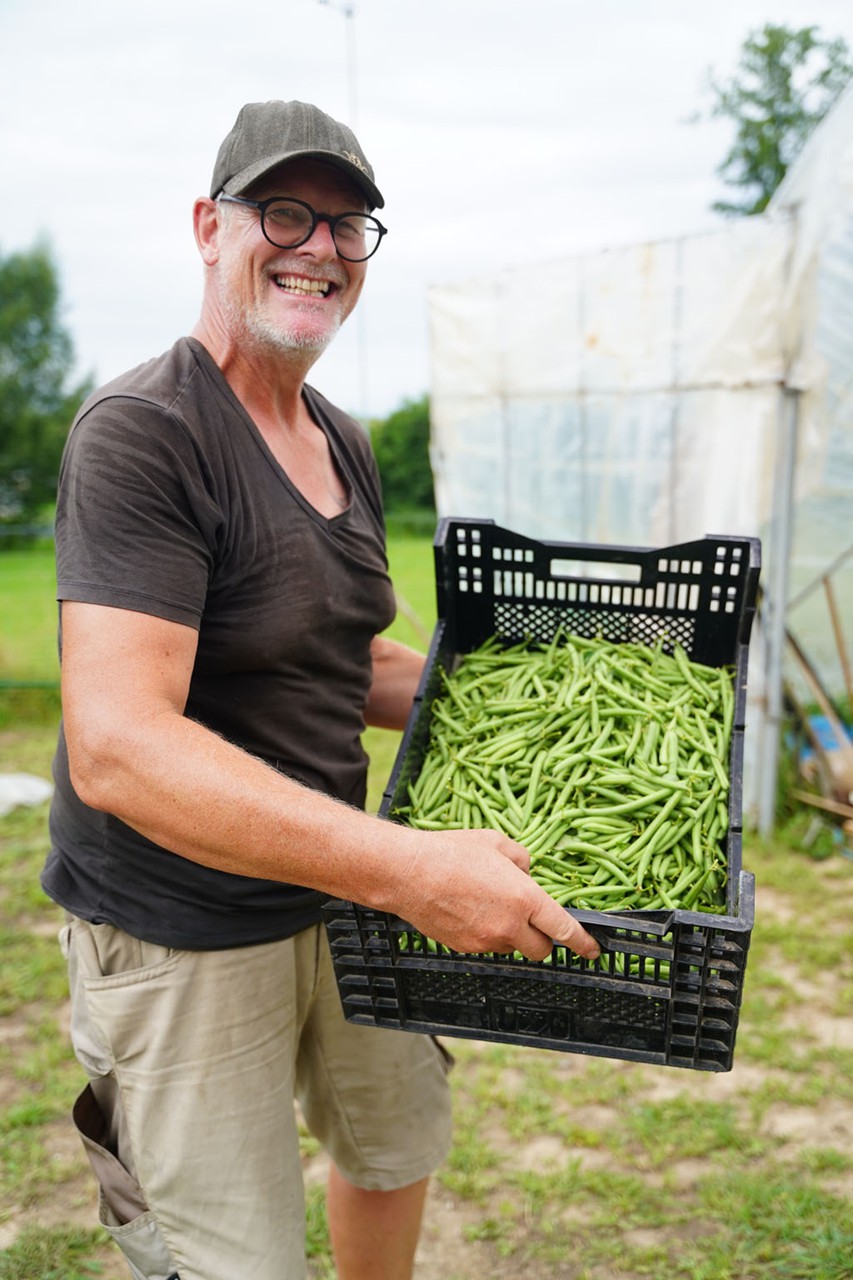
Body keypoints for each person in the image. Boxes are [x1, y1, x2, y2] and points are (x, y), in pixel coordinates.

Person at [42, 99, 601, 1280]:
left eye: (349, 226)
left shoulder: (339, 435)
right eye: (285, 213)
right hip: (184, 924)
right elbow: (119, 744)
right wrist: (409, 869)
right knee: (233, 1252)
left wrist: (558, 693)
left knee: (392, 1146)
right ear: (210, 227)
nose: (321, 247)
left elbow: (346, 661)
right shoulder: (145, 433)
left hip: (340, 883)